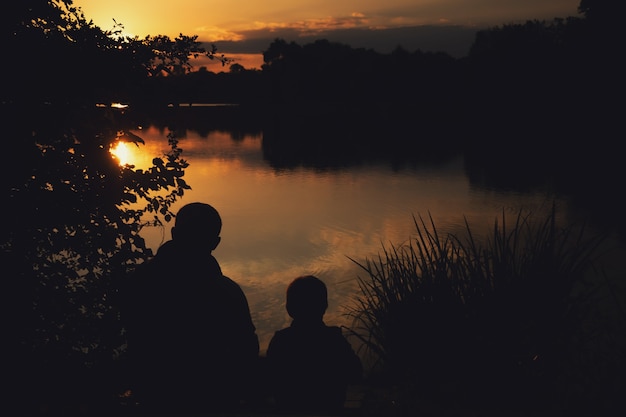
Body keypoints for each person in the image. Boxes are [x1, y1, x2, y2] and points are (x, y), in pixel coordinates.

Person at [122, 202, 259, 413]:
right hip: (211, 399)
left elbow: (134, 336)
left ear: (175, 233)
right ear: (215, 243)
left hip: (153, 396)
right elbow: (247, 352)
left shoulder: (138, 281)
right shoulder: (227, 293)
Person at [266, 275, 363, 414]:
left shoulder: (281, 341)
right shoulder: (334, 340)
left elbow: (269, 380)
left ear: (289, 308)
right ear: (325, 306)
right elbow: (356, 374)